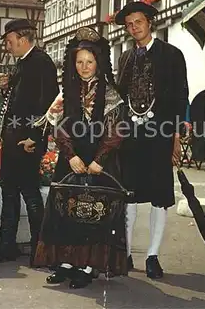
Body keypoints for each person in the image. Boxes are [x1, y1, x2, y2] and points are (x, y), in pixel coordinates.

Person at [32, 26, 128, 288]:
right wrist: (70, 155)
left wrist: (100, 159)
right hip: (71, 160)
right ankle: (65, 263)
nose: (84, 67)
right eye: (80, 62)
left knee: (91, 213)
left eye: (89, 61)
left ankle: (86, 266)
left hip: (99, 162)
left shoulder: (110, 93)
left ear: (98, 62)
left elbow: (116, 131)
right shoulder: (67, 93)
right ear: (73, 64)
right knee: (65, 212)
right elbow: (58, 126)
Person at [114, 1, 189, 279]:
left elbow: (182, 96)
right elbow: (118, 97)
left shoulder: (171, 55)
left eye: (138, 22)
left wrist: (177, 136)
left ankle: (153, 256)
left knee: (159, 196)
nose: (134, 28)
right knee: (129, 197)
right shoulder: (124, 58)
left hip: (160, 135)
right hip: (130, 137)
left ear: (149, 23)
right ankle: (127, 254)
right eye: (129, 24)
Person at [0, 18, 59, 265]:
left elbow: (49, 105)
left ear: (22, 38)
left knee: (30, 194)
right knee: (9, 194)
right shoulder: (23, 63)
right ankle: (7, 246)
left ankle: (41, 249)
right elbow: (18, 104)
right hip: (13, 140)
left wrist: (35, 138)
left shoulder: (41, 62)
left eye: (9, 41)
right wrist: (7, 88)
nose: (7, 46)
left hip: (27, 140)